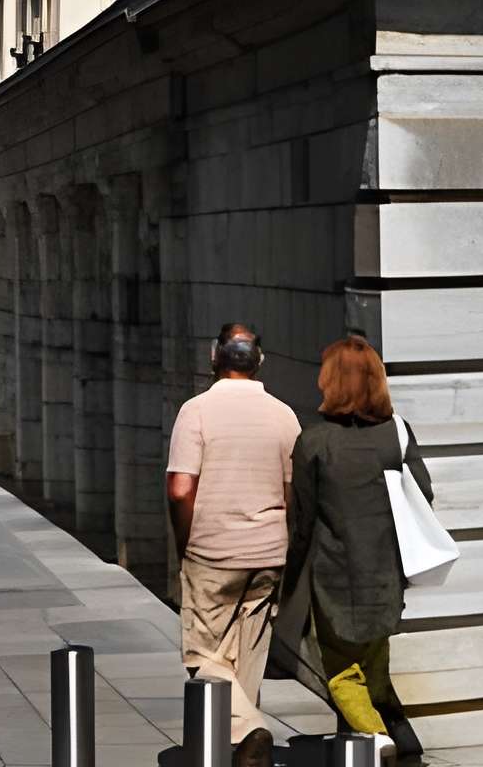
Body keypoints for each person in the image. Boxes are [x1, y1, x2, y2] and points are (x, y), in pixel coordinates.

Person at [281, 336, 433, 762]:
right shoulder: (396, 434)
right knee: (375, 662)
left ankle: (376, 738)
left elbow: (302, 522)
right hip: (387, 573)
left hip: (335, 578)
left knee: (341, 672)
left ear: (331, 381)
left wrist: (290, 581)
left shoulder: (314, 443)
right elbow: (423, 493)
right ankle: (401, 741)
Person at [168, 324, 299, 767]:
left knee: (202, 653)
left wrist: (185, 541)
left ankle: (250, 729)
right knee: (247, 656)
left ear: (214, 357)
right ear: (259, 360)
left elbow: (180, 490)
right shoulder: (284, 415)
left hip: (213, 551)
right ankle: (244, 749)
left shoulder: (196, 411)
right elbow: (292, 492)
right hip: (269, 552)